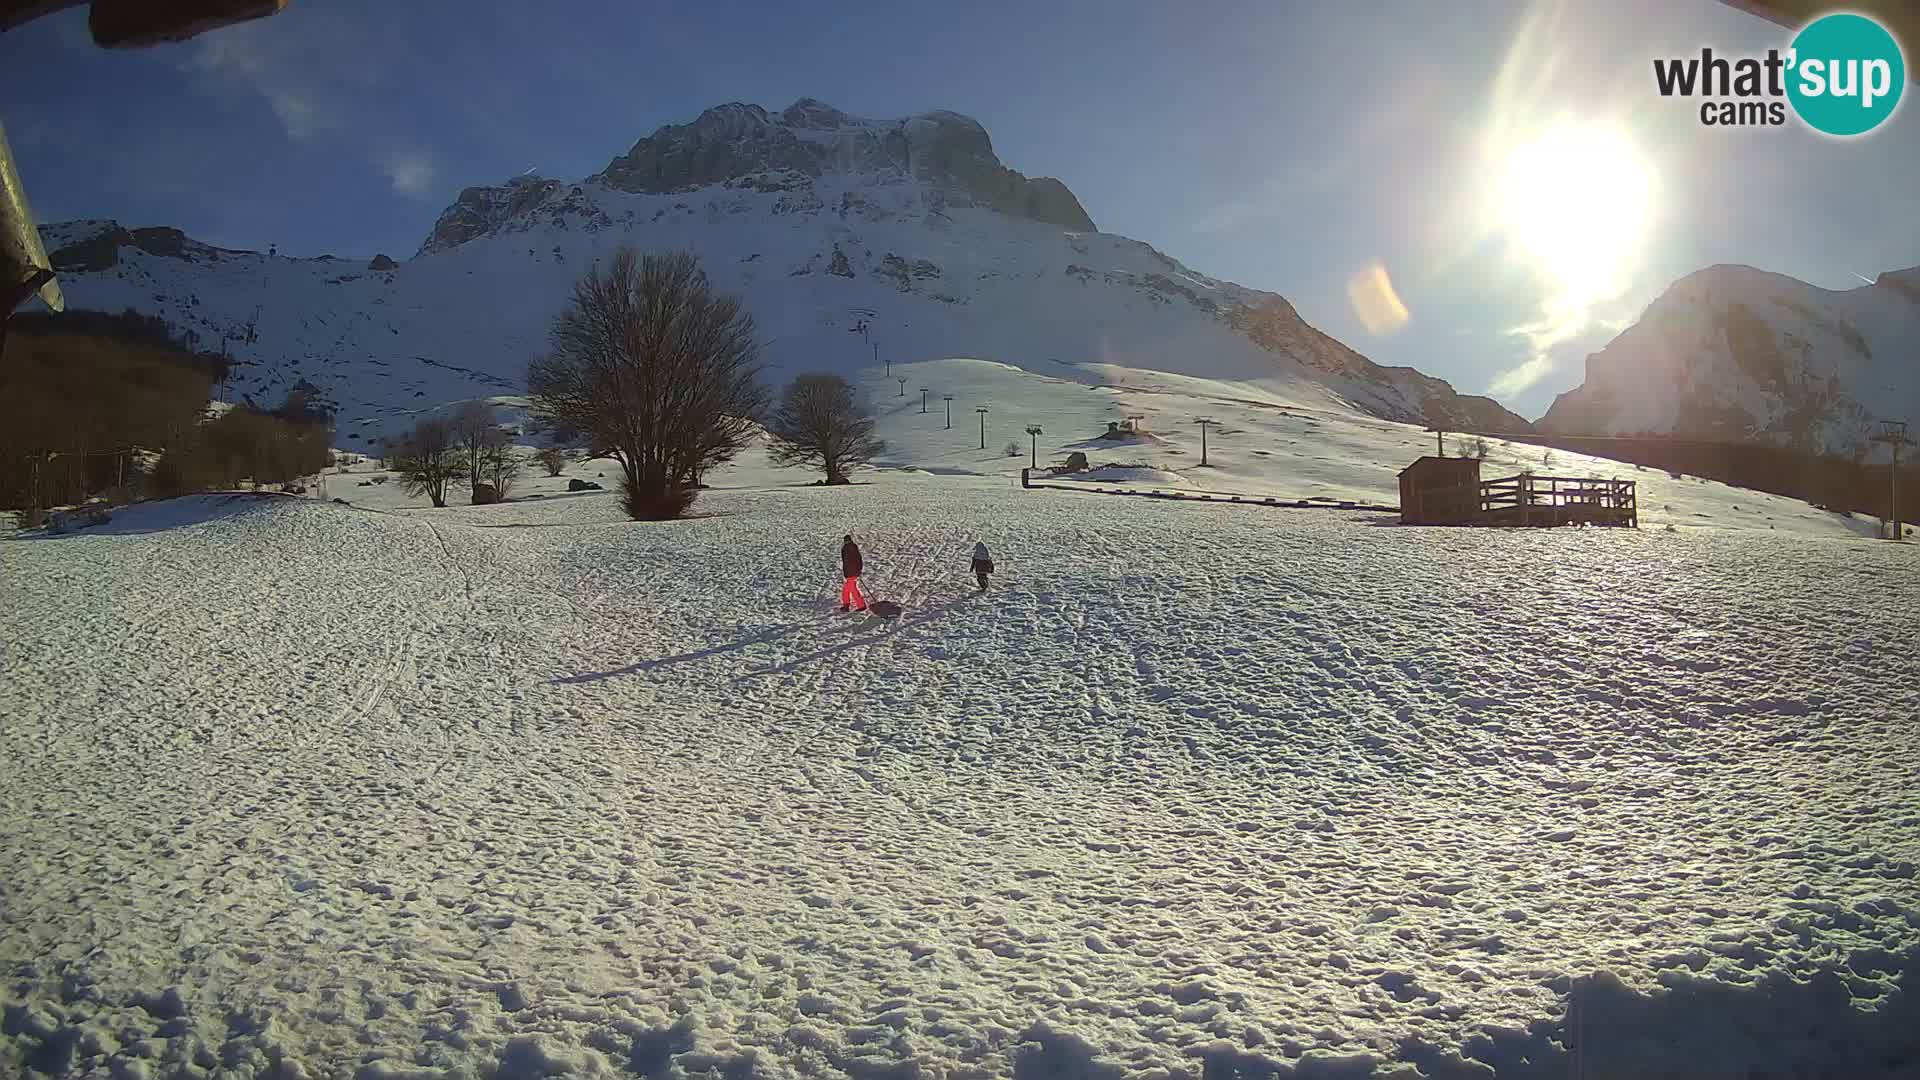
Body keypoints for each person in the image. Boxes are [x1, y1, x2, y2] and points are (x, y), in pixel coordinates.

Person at [839, 534, 867, 612]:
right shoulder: (853, 548)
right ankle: (846, 605)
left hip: (851, 573)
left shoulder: (846, 548)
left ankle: (861, 605)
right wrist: (858, 570)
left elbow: (848, 562)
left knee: (852, 589)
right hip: (852, 572)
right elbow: (858, 559)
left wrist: (853, 572)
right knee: (847, 589)